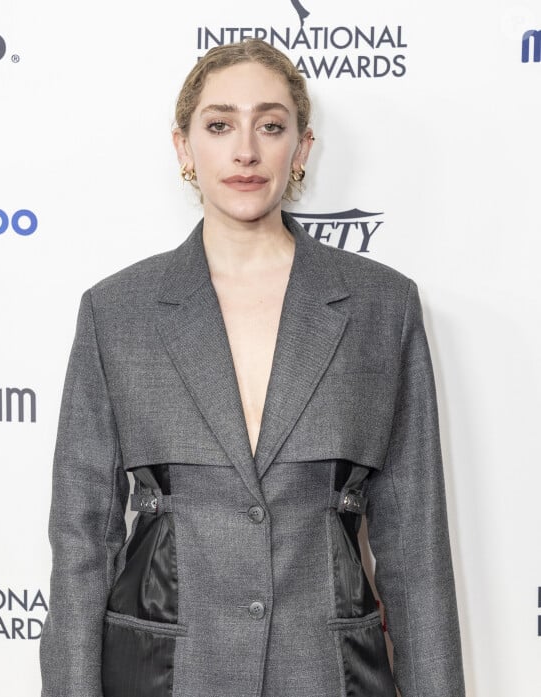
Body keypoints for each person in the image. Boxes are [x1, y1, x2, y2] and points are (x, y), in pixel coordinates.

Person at [40, 39, 465, 697]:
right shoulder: (115, 311)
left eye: (270, 125)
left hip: (330, 675)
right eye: (219, 125)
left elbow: (416, 554)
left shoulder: (383, 305)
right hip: (164, 676)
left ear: (301, 148)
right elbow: (79, 547)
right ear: (184, 148)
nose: (245, 149)